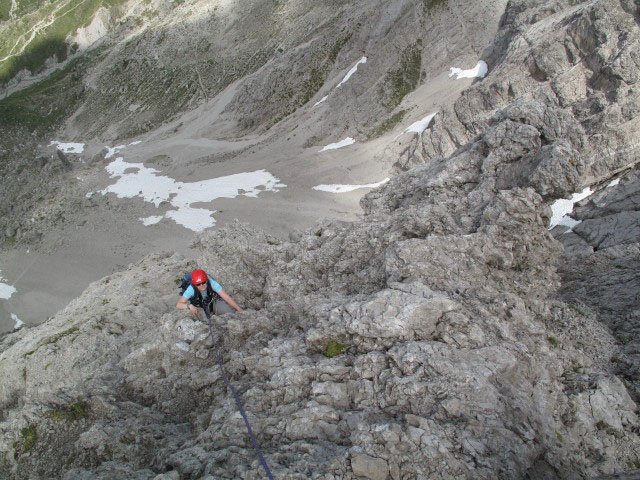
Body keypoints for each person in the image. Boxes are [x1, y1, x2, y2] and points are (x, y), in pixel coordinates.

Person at [176, 269, 244, 316]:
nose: (201, 286)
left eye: (203, 282)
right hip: (199, 307)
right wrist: (189, 306)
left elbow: (226, 297)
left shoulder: (212, 283)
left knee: (230, 314)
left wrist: (240, 310)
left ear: (206, 280)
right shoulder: (191, 289)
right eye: (198, 284)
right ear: (194, 284)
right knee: (205, 324)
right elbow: (179, 304)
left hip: (213, 303)